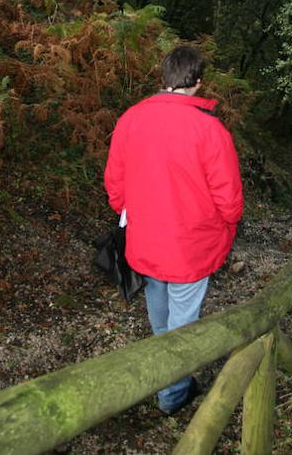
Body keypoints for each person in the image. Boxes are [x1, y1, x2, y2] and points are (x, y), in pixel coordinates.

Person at [103, 44, 244, 414]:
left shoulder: (131, 119)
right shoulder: (210, 129)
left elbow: (115, 182)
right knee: (183, 323)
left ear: (164, 77)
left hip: (147, 238)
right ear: (197, 81)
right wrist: (228, 223)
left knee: (159, 310)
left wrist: (130, 212)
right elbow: (228, 195)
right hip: (192, 244)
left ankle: (166, 376)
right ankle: (172, 396)